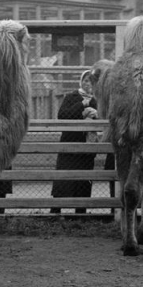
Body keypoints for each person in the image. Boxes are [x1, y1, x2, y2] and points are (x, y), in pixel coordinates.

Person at [50, 69, 99, 214]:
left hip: (87, 147)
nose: (87, 83)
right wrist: (82, 105)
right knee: (64, 177)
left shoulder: (96, 100)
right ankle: (56, 208)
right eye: (85, 80)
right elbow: (63, 115)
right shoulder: (71, 97)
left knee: (84, 178)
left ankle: (80, 210)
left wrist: (97, 115)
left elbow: (104, 118)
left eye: (90, 81)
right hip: (69, 144)